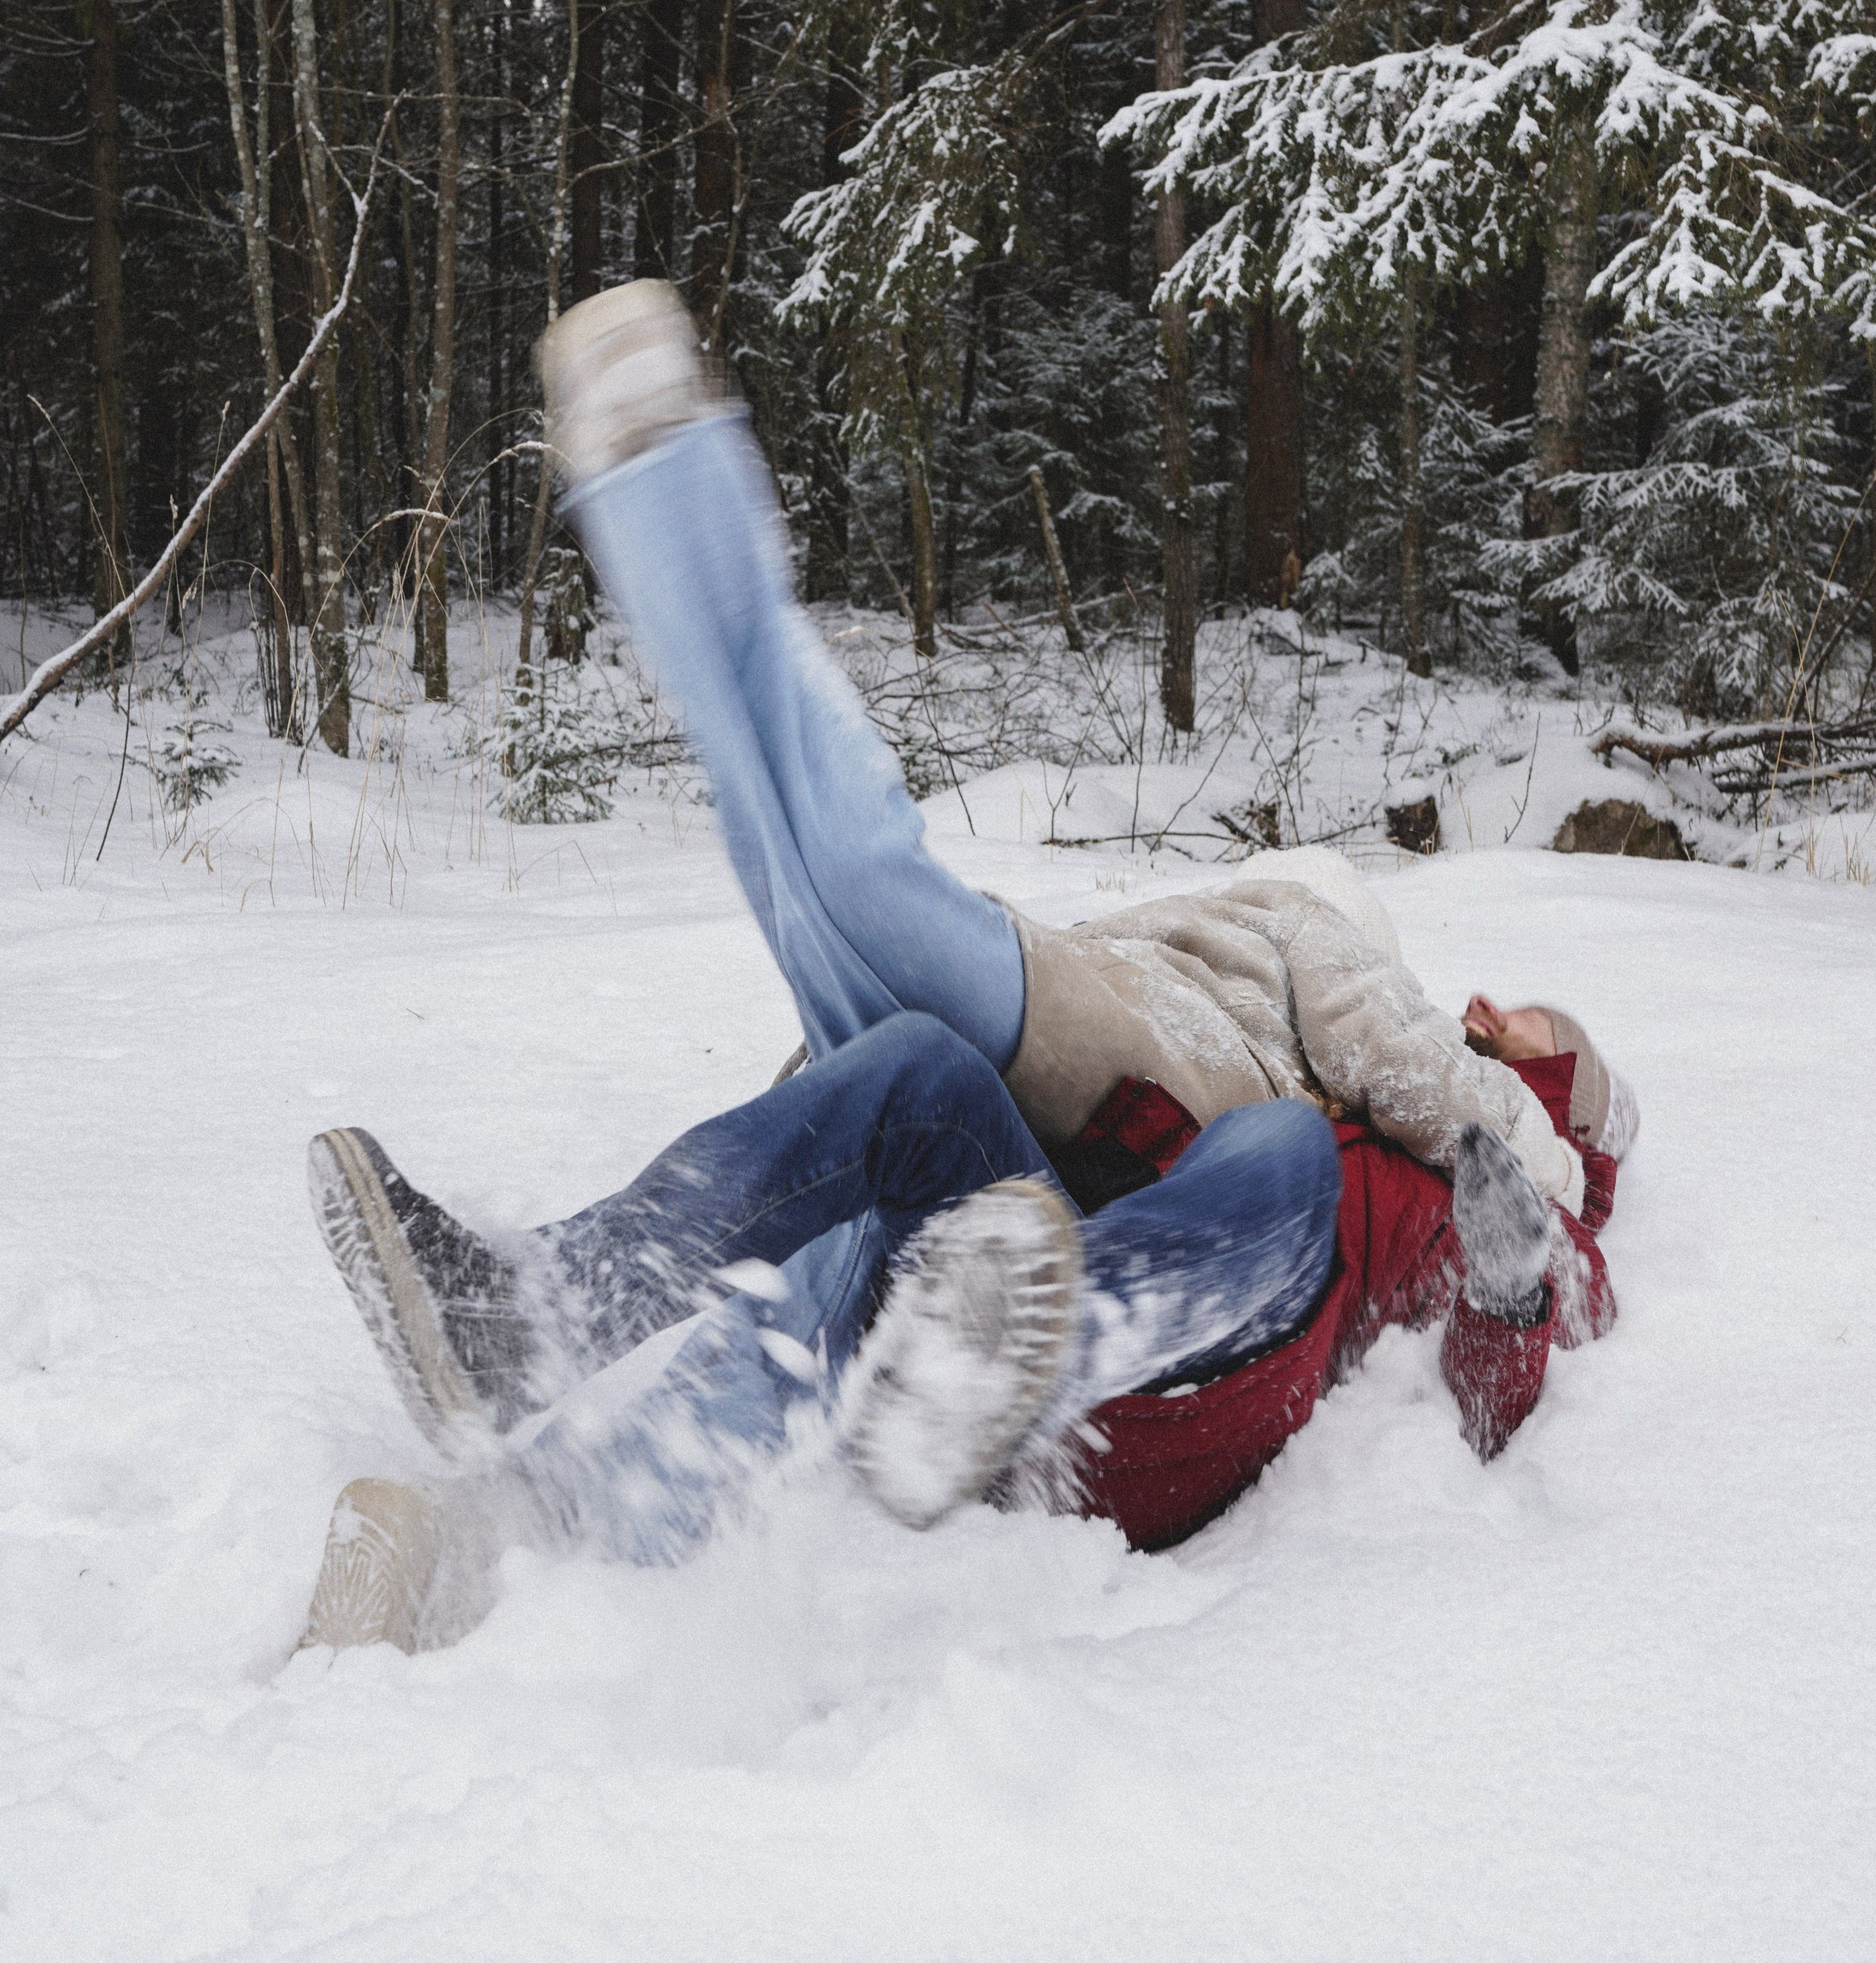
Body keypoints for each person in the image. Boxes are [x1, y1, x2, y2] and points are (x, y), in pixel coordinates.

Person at [298, 281, 1636, 1653]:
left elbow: (1514, 1337)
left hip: (1165, 1359)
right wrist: (821, 1123)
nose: (1480, 1014)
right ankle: (531, 1435)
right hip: (1006, 1276)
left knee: (1253, 1135)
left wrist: (1517, 1267)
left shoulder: (1421, 1151)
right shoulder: (1289, 996)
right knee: (901, 1078)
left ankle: (1000, 1347)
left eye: (1525, 1032)